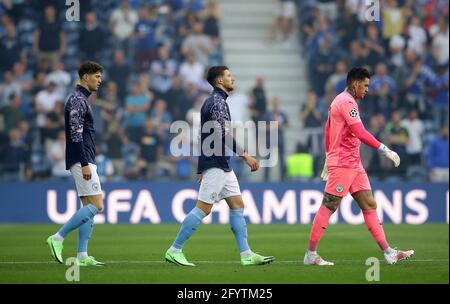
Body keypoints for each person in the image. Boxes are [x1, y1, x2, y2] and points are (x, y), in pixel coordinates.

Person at [165, 66, 274, 266]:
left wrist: (200, 168)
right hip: (216, 164)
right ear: (220, 81)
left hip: (221, 164)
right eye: (228, 76)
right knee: (203, 209)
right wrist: (245, 155)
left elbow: (203, 136)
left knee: (237, 205)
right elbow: (223, 134)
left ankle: (246, 254)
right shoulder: (217, 102)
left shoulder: (215, 102)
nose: (232, 78)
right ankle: (174, 250)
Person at [304, 67, 414, 266]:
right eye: (365, 85)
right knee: (329, 205)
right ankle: (310, 254)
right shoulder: (346, 102)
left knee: (369, 205)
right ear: (355, 84)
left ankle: (388, 252)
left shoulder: (342, 100)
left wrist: (329, 155)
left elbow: (328, 129)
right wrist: (384, 149)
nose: (367, 90)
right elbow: (360, 131)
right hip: (344, 163)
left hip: (354, 162)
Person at [46, 61, 105, 267]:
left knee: (88, 206)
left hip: (86, 159)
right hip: (83, 160)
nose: (100, 80)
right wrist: (84, 162)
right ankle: (58, 238)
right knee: (97, 205)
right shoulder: (77, 100)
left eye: (100, 76)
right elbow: (75, 133)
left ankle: (82, 255)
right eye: (96, 76)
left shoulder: (83, 100)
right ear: (85, 77)